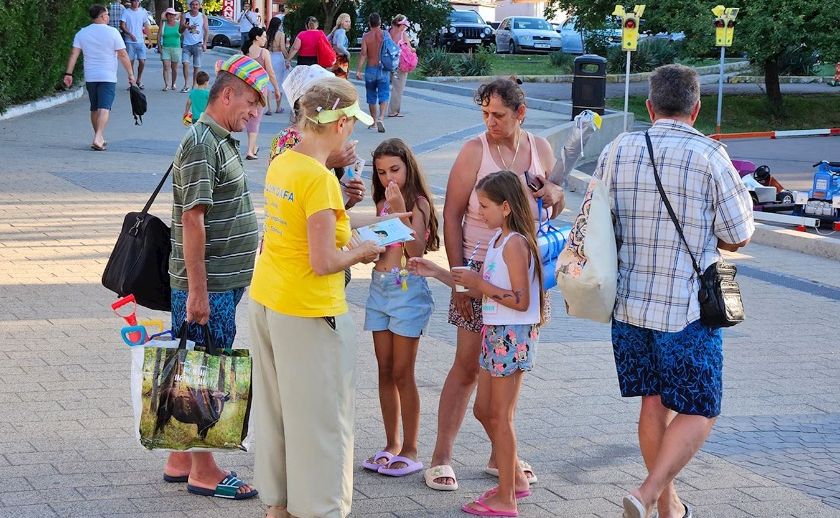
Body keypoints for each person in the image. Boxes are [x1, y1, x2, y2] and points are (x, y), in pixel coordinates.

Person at [594, 64, 754, 518]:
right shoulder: (710, 155)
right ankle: (648, 494)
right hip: (685, 309)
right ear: (696, 107)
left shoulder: (619, 149)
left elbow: (597, 221)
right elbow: (738, 234)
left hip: (627, 305)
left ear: (648, 106)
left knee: (653, 402)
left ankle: (669, 509)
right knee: (701, 408)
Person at [248, 76, 383, 518]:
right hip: (309, 310)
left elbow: (296, 228)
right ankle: (321, 510)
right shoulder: (319, 178)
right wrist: (363, 249)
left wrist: (343, 208)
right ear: (340, 122)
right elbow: (324, 261)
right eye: (351, 122)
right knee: (324, 423)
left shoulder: (283, 162)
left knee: (278, 414)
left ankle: (279, 506)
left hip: (269, 298)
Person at [425, 77, 565, 492]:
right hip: (477, 271)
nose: (490, 121)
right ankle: (441, 456)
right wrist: (456, 277)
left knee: (509, 367)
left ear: (520, 113)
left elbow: (554, 202)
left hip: (523, 274)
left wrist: (556, 192)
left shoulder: (540, 149)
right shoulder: (474, 150)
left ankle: (499, 452)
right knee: (467, 365)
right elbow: (451, 215)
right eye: (485, 113)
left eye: (499, 115)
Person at [164, 53, 268, 502]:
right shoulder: (202, 143)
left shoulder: (219, 138)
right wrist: (199, 293)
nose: (254, 113)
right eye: (250, 102)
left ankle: (181, 457)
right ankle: (205, 469)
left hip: (222, 281)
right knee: (209, 369)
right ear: (226, 94)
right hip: (209, 286)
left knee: (196, 366)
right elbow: (193, 220)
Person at [411, 170, 544, 517]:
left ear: (505, 207)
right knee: (484, 411)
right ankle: (513, 480)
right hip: (494, 333)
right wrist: (437, 272)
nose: (478, 213)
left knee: (500, 416)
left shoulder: (515, 243)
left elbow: (520, 299)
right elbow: (476, 287)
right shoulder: (498, 240)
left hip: (510, 336)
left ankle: (508, 496)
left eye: (484, 206)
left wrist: (478, 284)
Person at [361, 138, 439, 478]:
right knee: (384, 369)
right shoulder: (383, 202)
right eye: (380, 172)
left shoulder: (417, 203)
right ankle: (391, 443)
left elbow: (418, 248)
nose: (388, 177)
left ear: (408, 166)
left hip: (406, 290)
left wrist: (397, 211)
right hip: (379, 289)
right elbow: (381, 248)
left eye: (394, 169)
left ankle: (410, 448)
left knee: (403, 373)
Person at [269, 65, 366, 211]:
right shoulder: (287, 138)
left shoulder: (327, 139)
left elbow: (325, 205)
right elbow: (290, 194)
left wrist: (349, 197)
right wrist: (329, 163)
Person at [63, 4, 136, 151]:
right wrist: (130, 74)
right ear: (103, 16)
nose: (108, 16)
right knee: (105, 107)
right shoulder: (113, 32)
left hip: (91, 76)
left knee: (94, 108)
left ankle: (99, 137)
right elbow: (122, 54)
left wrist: (68, 74)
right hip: (108, 75)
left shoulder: (82, 33)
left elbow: (74, 54)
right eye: (107, 14)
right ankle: (98, 137)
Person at [241, 27, 281, 159]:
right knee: (256, 120)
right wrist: (276, 89)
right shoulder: (264, 53)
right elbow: (271, 72)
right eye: (263, 36)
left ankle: (253, 146)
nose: (265, 39)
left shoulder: (244, 51)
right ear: (257, 38)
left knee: (250, 119)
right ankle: (250, 151)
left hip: (246, 90)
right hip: (260, 91)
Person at [355, 12, 389, 133]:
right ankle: (381, 118)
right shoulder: (385, 35)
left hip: (370, 69)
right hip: (383, 69)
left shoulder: (366, 37)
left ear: (369, 23)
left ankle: (374, 122)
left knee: (371, 96)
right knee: (384, 94)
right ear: (380, 22)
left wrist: (358, 70)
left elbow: (363, 54)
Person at [179, 0, 208, 92]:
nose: (195, 6)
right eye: (193, 5)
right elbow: (180, 31)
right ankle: (186, 84)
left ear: (199, 6)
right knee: (185, 63)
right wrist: (185, 27)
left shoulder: (202, 16)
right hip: (187, 44)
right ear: (190, 6)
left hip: (198, 44)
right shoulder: (185, 16)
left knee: (196, 66)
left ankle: (194, 86)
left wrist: (205, 44)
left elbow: (206, 31)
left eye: (196, 4)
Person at [387, 14, 412, 118]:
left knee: (385, 87)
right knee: (398, 88)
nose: (405, 27)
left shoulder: (388, 33)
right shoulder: (403, 35)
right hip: (400, 64)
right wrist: (413, 50)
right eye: (404, 25)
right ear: (400, 24)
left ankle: (383, 108)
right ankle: (393, 111)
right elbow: (409, 48)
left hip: (388, 62)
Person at [119, 0, 149, 89]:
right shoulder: (126, 12)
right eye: (134, 1)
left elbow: (146, 25)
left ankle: (139, 80)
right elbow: (122, 25)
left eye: (137, 1)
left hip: (140, 40)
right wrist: (129, 34)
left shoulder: (143, 12)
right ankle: (132, 82)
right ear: (131, 2)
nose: (135, 3)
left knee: (142, 61)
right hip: (130, 41)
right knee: (130, 63)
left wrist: (149, 39)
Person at [265, 17, 288, 114]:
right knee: (278, 83)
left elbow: (264, 46)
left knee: (269, 82)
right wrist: (288, 57)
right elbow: (282, 48)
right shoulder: (281, 34)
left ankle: (269, 108)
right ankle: (278, 108)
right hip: (278, 57)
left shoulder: (267, 34)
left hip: (269, 56)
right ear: (278, 25)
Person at [158, 8, 181, 91]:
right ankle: (166, 84)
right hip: (165, 48)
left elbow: (182, 34)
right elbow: (159, 35)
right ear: (166, 16)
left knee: (174, 68)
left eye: (173, 15)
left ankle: (173, 83)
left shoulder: (178, 24)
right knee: (166, 67)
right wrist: (159, 47)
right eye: (169, 14)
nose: (171, 16)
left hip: (176, 48)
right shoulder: (163, 24)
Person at [327, 13, 351, 79]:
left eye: (349, 21)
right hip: (341, 58)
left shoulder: (335, 31)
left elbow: (326, 39)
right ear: (341, 22)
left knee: (336, 80)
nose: (348, 23)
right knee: (341, 82)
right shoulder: (342, 32)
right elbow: (340, 45)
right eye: (346, 21)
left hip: (335, 58)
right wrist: (347, 53)